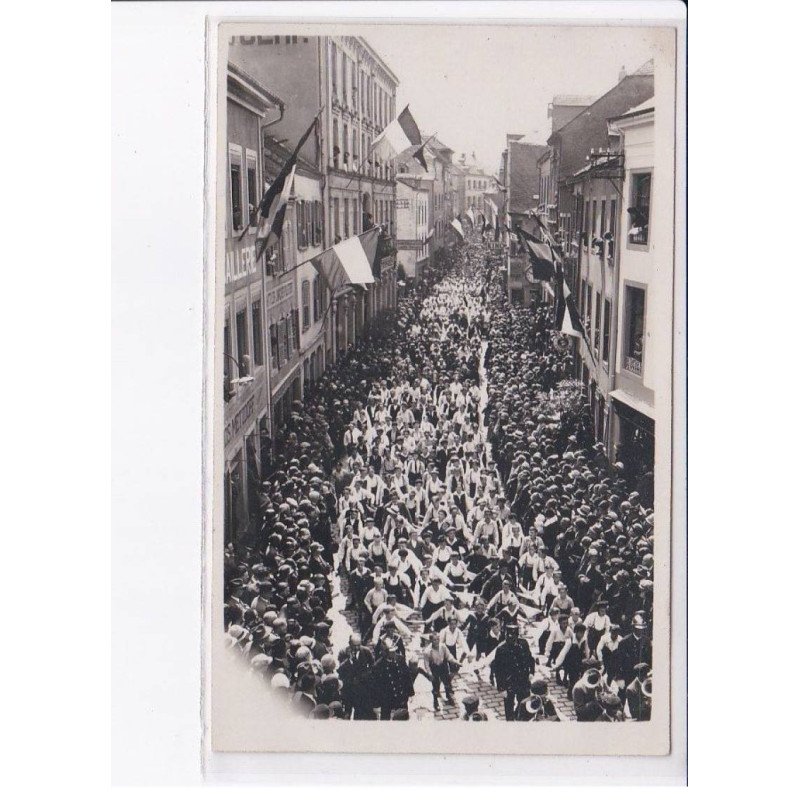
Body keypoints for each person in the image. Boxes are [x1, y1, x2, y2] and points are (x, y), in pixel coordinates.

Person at [491, 624, 536, 721]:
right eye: (509, 636)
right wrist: (501, 688)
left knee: (524, 704)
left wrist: (531, 672)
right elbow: (498, 671)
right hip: (509, 683)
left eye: (514, 636)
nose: (511, 638)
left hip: (523, 680)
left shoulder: (523, 643)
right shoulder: (501, 649)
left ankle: (520, 717)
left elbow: (530, 659)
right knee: (509, 707)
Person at [372, 638, 415, 721]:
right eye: (391, 652)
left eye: (394, 651)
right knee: (385, 720)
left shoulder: (400, 659)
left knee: (403, 718)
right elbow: (376, 686)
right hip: (387, 699)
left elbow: (407, 676)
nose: (394, 653)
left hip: (401, 696)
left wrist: (410, 692)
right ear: (384, 652)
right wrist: (376, 704)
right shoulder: (378, 666)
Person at [420, 631, 459, 710]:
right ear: (431, 641)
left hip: (443, 667)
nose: (437, 641)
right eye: (434, 640)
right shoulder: (427, 651)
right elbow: (427, 664)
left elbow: (449, 656)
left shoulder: (443, 646)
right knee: (435, 686)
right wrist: (430, 673)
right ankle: (435, 701)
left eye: (438, 639)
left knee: (447, 683)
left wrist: (455, 661)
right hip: (434, 669)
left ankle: (448, 696)